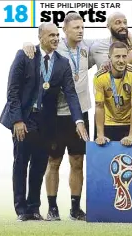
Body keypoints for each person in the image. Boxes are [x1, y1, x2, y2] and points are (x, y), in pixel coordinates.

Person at [0, 22, 87, 222]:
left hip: (46, 123)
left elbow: (71, 95)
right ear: (41, 37)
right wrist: (17, 120)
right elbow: (12, 91)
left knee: (39, 165)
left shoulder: (63, 63)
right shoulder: (25, 55)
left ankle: (34, 208)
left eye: (57, 35)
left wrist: (78, 120)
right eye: (51, 35)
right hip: (24, 119)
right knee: (21, 163)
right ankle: (21, 209)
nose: (56, 38)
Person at [44, 13, 94, 221]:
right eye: (75, 28)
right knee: (53, 161)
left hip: (80, 114)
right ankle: (52, 208)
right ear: (65, 30)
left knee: (77, 161)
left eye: (82, 27)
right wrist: (27, 43)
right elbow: (38, 49)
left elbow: (113, 41)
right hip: (56, 116)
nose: (80, 31)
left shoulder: (87, 48)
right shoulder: (55, 47)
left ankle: (75, 208)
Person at [94, 42, 132, 147]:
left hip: (129, 123)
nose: (121, 61)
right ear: (109, 57)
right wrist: (100, 135)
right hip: (108, 123)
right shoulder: (100, 77)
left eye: (124, 56)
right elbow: (99, 106)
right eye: (117, 56)